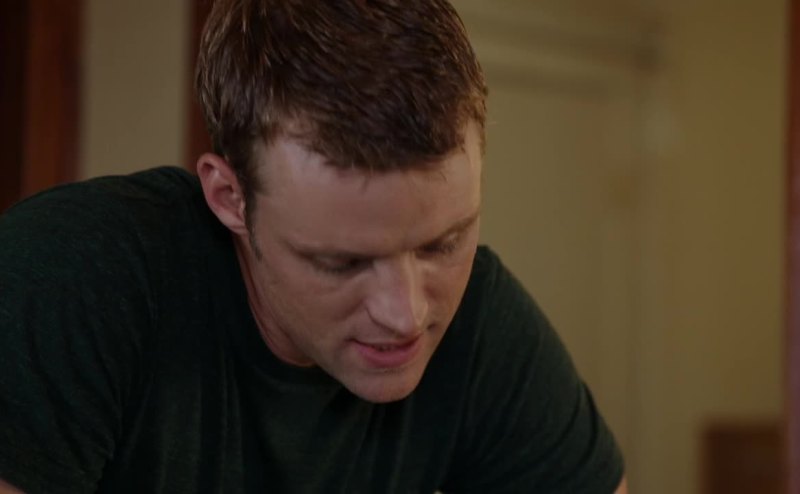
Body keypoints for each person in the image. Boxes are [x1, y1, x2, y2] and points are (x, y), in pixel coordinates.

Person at [0, 0, 627, 492]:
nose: (406, 314)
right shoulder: (68, 280)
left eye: (443, 244)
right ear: (229, 198)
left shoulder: (480, 327)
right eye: (342, 262)